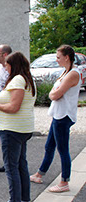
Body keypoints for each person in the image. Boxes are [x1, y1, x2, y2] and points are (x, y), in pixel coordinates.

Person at [0, 52, 36, 202]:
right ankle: (24, 201)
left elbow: (14, 106)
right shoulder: (27, 79)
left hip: (12, 128)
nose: (5, 68)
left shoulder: (17, 80)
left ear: (13, 65)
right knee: (21, 164)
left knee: (11, 166)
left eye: (7, 65)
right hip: (22, 128)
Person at [30, 45, 81, 193]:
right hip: (58, 114)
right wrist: (54, 93)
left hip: (64, 116)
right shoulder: (65, 72)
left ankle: (64, 182)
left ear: (67, 57)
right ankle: (40, 174)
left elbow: (55, 95)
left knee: (62, 149)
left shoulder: (72, 74)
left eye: (58, 57)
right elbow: (55, 93)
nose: (56, 60)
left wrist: (53, 93)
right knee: (49, 146)